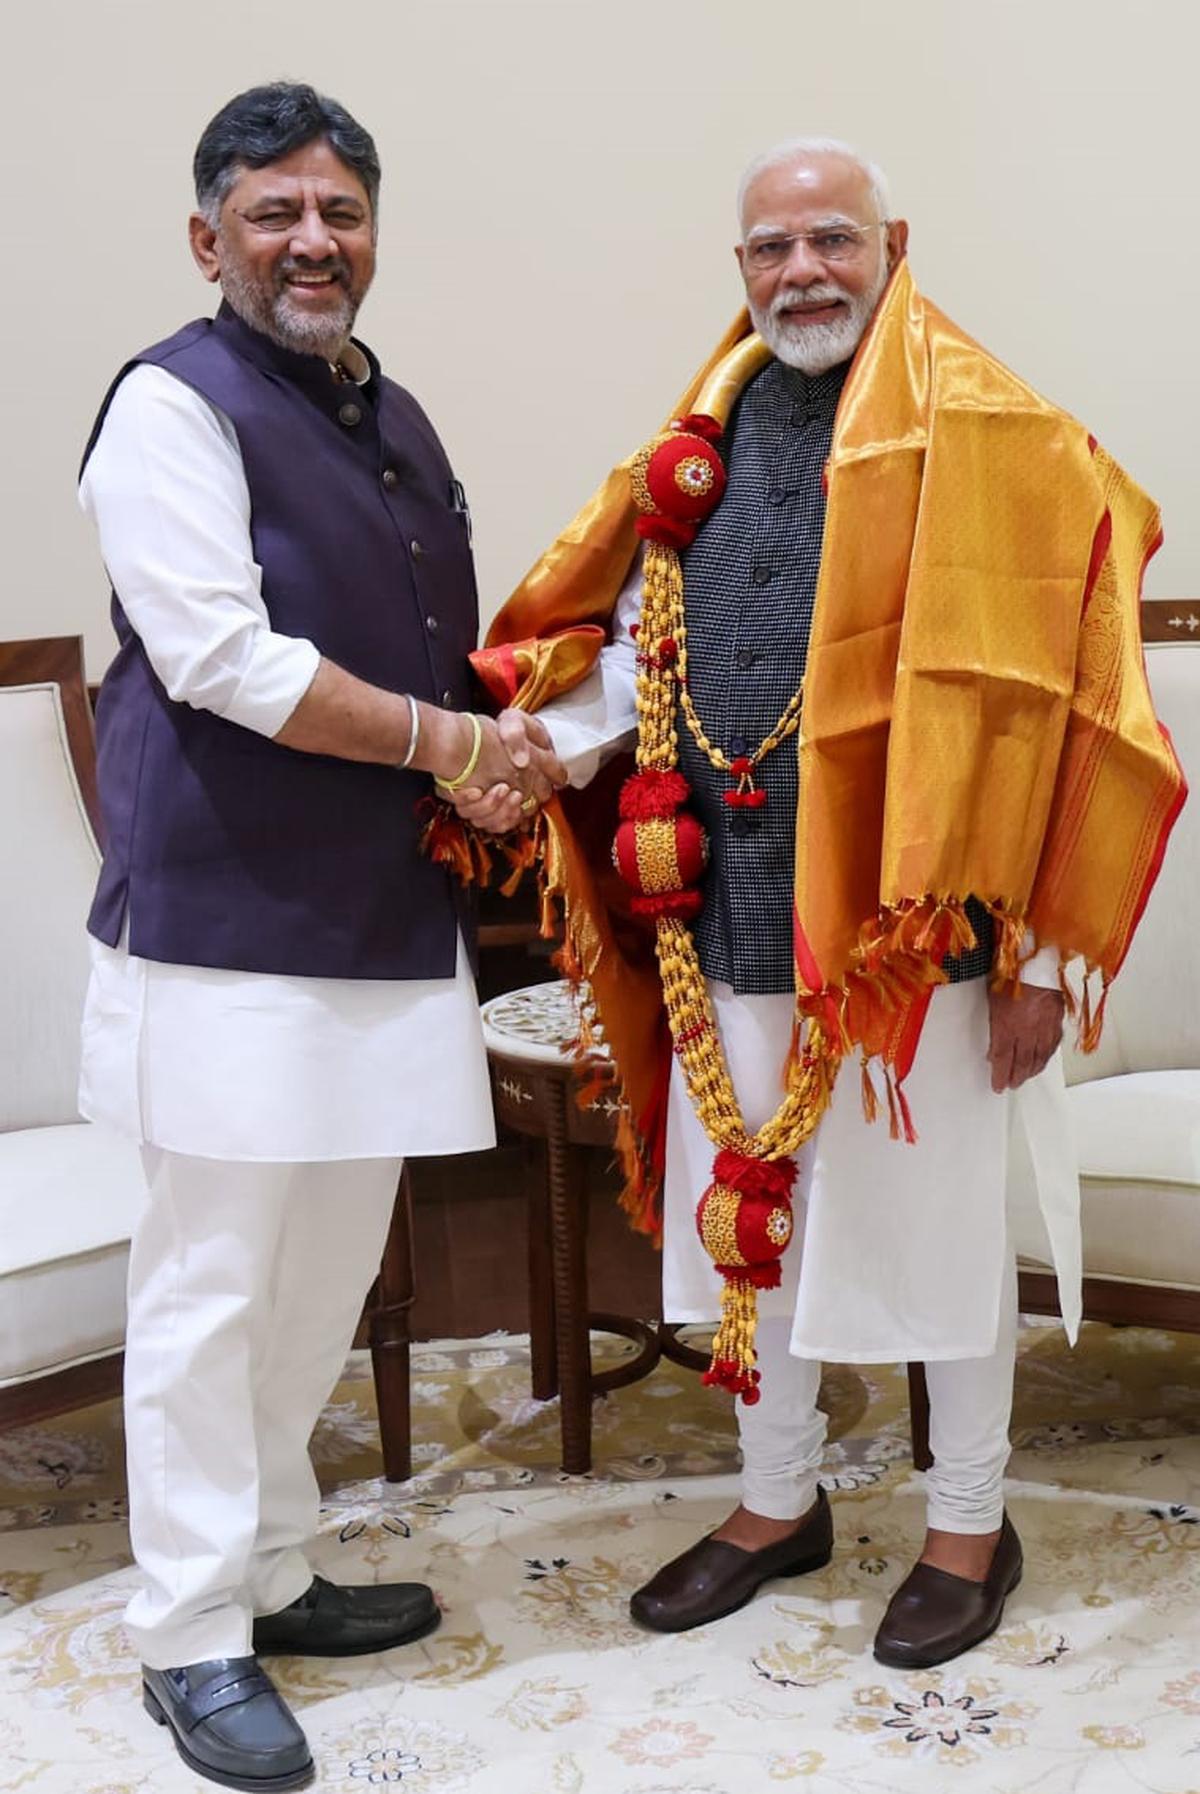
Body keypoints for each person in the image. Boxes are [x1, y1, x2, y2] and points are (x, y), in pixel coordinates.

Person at [446, 138, 1184, 1668]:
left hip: (919, 947)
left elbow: (1071, 701)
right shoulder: (696, 444)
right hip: (719, 919)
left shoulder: (998, 434)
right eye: (772, 248)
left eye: (833, 239)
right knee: (748, 1227)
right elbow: (641, 650)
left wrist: (1044, 958)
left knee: (938, 1239)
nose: (803, 273)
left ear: (893, 245)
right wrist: (528, 754)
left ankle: (970, 1522)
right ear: (741, 270)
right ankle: (776, 1500)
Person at [78, 82, 563, 1792]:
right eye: (274, 211)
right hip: (225, 927)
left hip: (380, 916)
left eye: (340, 211)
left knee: (322, 1277)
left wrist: (521, 745)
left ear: (372, 233)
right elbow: (223, 658)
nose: (312, 240)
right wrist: (455, 745)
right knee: (211, 1288)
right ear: (205, 235)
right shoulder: (167, 406)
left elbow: (433, 645)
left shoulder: (389, 408)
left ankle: (274, 1567)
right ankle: (187, 1629)